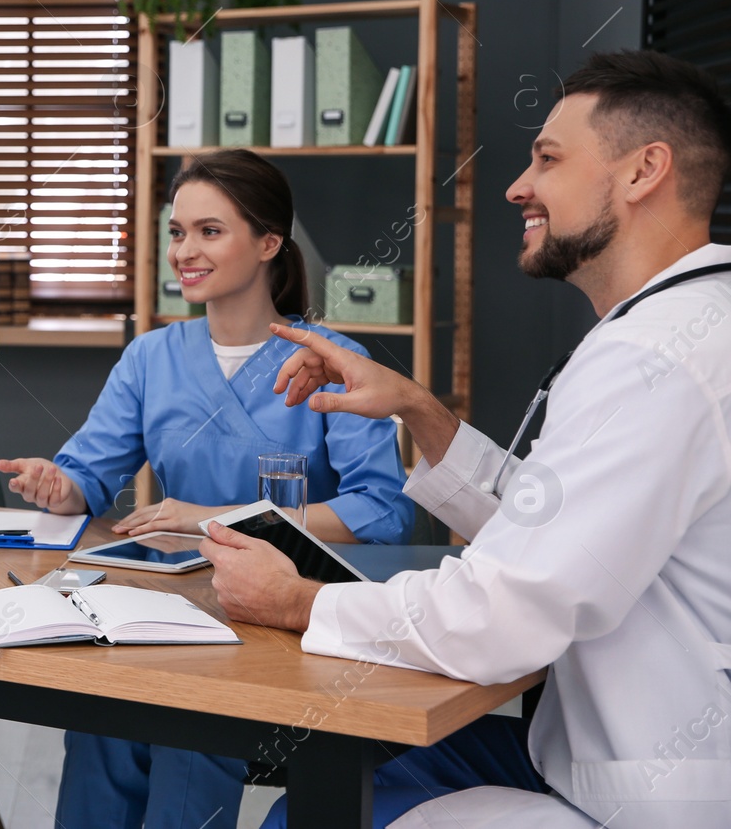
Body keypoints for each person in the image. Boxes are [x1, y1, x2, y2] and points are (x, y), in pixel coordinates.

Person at [202, 50, 731, 829]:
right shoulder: (683, 325)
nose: (520, 185)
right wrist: (420, 409)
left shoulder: (655, 359)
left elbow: (504, 613)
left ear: (644, 170)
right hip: (593, 743)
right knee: (331, 783)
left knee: (310, 813)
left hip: (646, 789)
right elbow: (563, 531)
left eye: (548, 158)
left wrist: (303, 600)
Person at [1, 148, 414, 829]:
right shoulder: (150, 356)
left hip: (287, 624)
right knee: (101, 723)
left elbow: (383, 512)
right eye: (177, 231)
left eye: (209, 231)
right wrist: (59, 483)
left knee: (189, 733)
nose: (185, 250)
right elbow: (87, 476)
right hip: (171, 612)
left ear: (269, 243)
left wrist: (210, 519)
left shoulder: (332, 362)